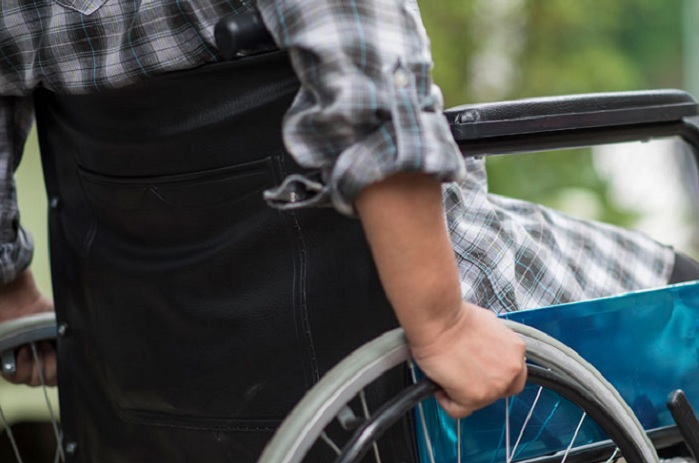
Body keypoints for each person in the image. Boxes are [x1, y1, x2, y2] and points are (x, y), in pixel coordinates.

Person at [0, 0, 690, 417]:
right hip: (374, 312)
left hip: (169, 358)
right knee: (679, 307)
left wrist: (8, 285)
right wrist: (442, 327)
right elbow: (373, 106)